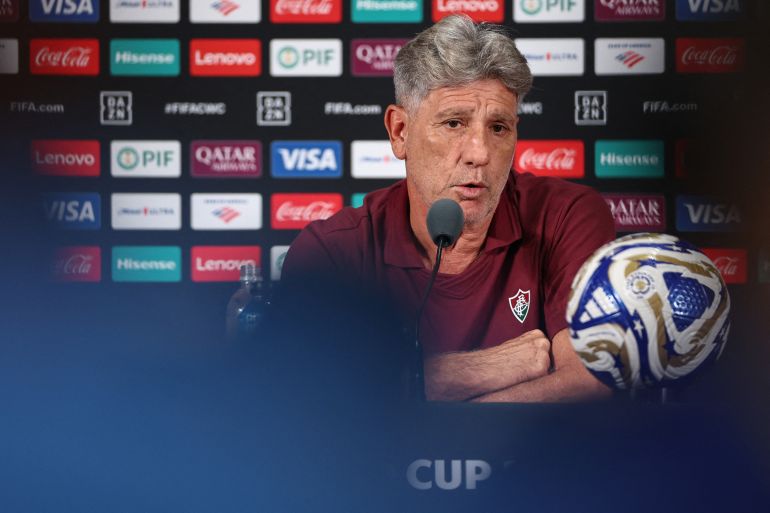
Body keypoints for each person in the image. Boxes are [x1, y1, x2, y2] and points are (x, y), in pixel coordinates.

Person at [276, 15, 616, 402]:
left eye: (499, 127)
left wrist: (428, 413)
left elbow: (589, 382)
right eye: (454, 123)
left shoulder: (568, 215)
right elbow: (307, 399)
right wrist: (489, 367)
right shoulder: (333, 252)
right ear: (399, 132)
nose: (480, 153)